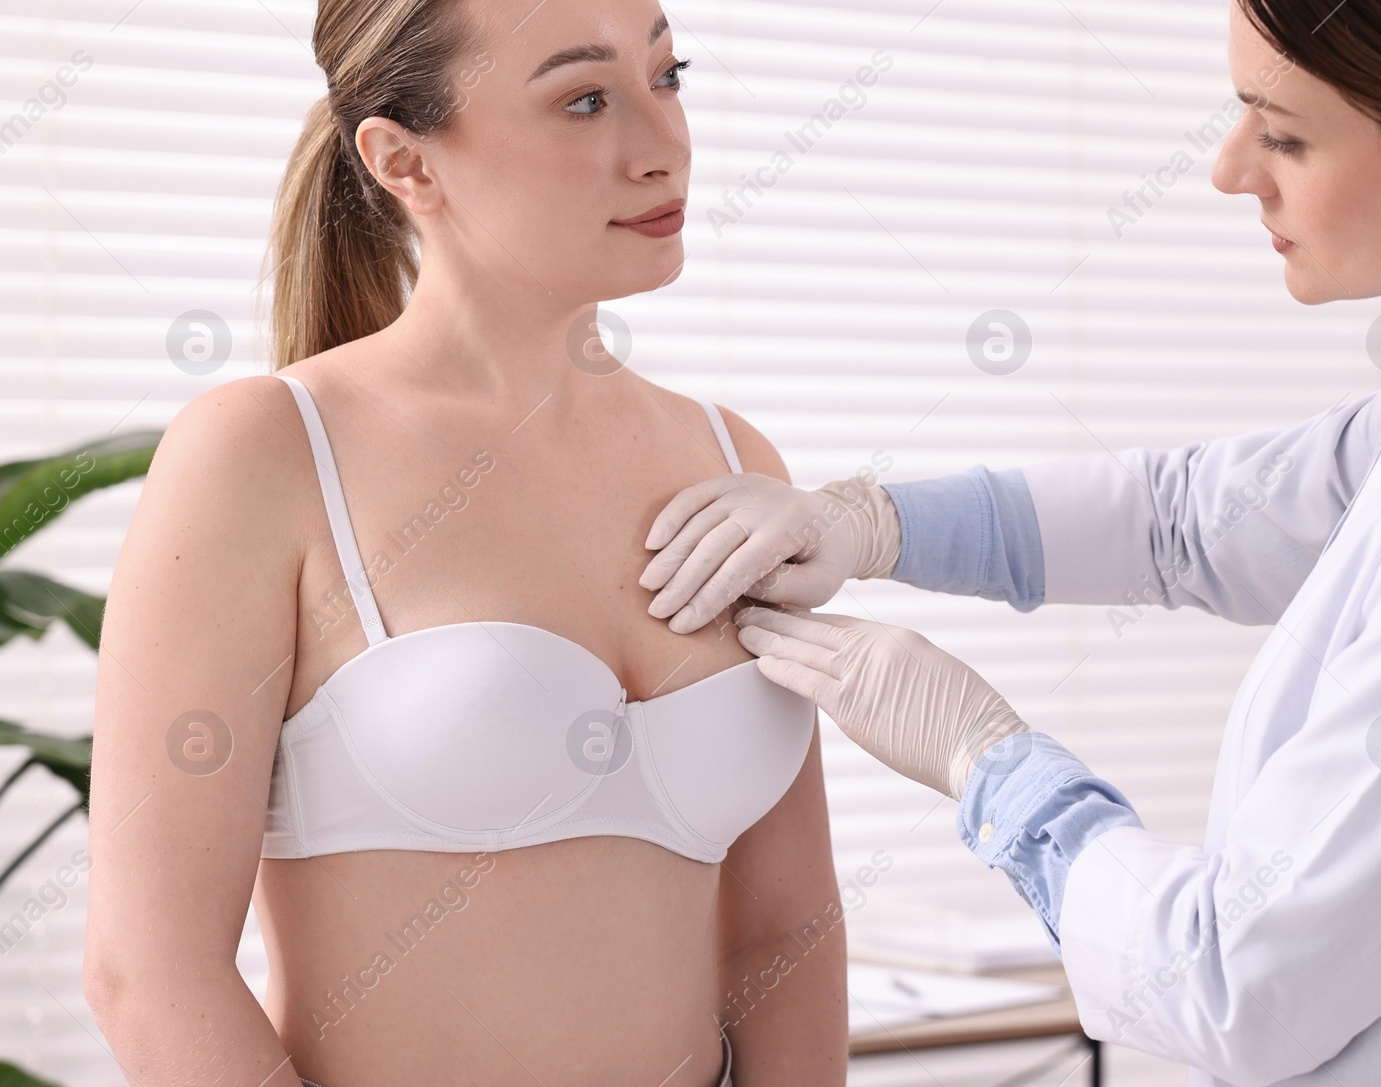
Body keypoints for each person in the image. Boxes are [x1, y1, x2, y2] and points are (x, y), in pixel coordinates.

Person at [640, 0, 1381, 1083]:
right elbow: (1195, 516)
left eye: (1281, 133)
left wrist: (989, 764)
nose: (1229, 170)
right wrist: (878, 524)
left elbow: (1233, 986)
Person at [80, 2, 846, 1086]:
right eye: (584, 99)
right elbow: (146, 973)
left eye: (668, 77)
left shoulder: (733, 460)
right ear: (404, 162)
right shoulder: (265, 455)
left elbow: (787, 929)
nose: (662, 144)